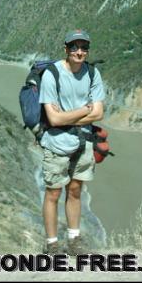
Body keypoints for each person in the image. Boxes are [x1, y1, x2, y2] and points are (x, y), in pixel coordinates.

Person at [39, 29, 105, 255]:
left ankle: (74, 241)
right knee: (53, 193)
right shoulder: (51, 75)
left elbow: (98, 114)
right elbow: (53, 119)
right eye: (74, 47)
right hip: (57, 144)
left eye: (84, 47)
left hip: (83, 142)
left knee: (75, 190)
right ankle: (52, 244)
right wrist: (83, 110)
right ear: (65, 49)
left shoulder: (93, 73)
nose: (79, 51)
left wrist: (68, 116)